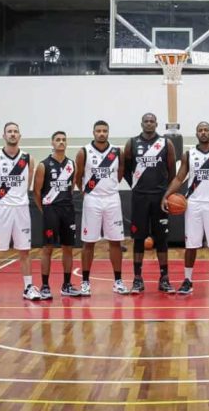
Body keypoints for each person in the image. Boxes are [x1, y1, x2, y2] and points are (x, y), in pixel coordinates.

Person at [162, 122, 209, 295]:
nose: (203, 133)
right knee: (191, 245)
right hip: (193, 205)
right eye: (200, 130)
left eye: (206, 130)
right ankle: (187, 280)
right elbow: (179, 178)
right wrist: (166, 195)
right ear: (196, 134)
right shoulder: (189, 155)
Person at [0, 122, 38, 304]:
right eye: (9, 131)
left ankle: (28, 287)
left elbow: (28, 184)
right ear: (4, 135)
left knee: (25, 251)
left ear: (19, 136)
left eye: (15, 132)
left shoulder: (28, 159)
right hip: (2, 209)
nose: (12, 134)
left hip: (21, 209)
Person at [123, 113, 177, 294]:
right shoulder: (132, 143)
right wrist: (135, 185)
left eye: (152, 121)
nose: (148, 123)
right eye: (145, 121)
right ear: (141, 123)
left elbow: (172, 171)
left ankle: (164, 278)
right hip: (139, 198)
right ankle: (137, 279)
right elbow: (126, 169)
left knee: (161, 239)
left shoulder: (165, 144)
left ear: (156, 124)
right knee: (138, 239)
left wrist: (166, 193)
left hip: (159, 198)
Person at [75, 120, 129, 296]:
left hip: (112, 198)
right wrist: (88, 191)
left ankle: (118, 281)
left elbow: (120, 172)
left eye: (104, 130)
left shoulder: (116, 152)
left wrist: (109, 187)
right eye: (98, 130)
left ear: (108, 132)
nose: (101, 133)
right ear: (93, 132)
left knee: (115, 241)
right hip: (92, 199)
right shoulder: (84, 152)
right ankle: (85, 282)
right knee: (88, 241)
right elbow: (78, 176)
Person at [33, 131, 81, 299]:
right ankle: (45, 286)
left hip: (67, 210)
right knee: (48, 248)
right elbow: (36, 192)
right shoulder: (43, 165)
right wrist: (45, 210)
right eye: (57, 140)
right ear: (52, 143)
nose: (61, 142)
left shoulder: (72, 165)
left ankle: (66, 285)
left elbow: (71, 186)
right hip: (50, 210)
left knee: (68, 248)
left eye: (63, 140)